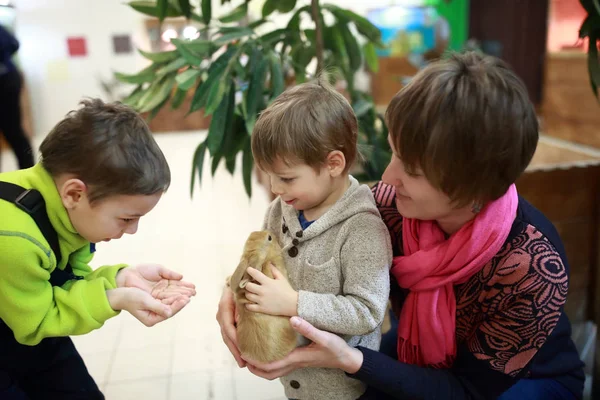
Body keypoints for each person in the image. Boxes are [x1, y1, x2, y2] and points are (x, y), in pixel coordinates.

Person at [217, 52, 586, 399]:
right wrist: (235, 295)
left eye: (412, 170)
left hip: (515, 383)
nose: (388, 177)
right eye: (394, 152)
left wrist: (351, 360)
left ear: (472, 187)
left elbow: (467, 391)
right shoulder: (389, 209)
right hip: (419, 352)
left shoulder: (532, 268)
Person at [0, 98, 196, 399]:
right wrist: (114, 299)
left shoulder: (66, 213)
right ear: (75, 193)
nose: (132, 230)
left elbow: (67, 284)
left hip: (28, 318)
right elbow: (35, 321)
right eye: (126, 218)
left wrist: (118, 279)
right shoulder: (14, 239)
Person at [219, 77, 392, 400]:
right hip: (296, 384)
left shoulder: (362, 229)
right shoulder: (279, 209)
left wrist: (294, 303)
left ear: (333, 164)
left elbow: (366, 311)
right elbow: (261, 260)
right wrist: (234, 292)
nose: (274, 188)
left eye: (285, 178)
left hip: (345, 390)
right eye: (268, 175)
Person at [0, 24, 34, 169]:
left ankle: (28, 172)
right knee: (14, 131)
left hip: (6, 81)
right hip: (9, 77)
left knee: (13, 131)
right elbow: (14, 44)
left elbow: (14, 44)